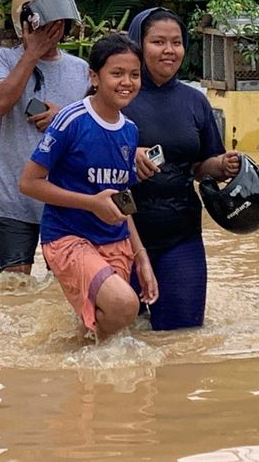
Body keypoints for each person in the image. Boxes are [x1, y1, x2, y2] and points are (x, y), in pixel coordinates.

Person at [19, 34, 157, 338]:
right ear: (94, 77)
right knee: (124, 306)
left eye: (134, 75)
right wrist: (92, 202)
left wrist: (141, 256)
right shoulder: (71, 120)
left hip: (115, 240)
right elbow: (29, 183)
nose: (127, 82)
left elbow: (123, 200)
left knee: (102, 333)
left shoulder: (130, 130)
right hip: (68, 237)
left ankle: (74, 375)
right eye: (117, 73)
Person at [123, 7, 241, 331]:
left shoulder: (195, 101)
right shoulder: (116, 95)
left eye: (176, 42)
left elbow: (202, 166)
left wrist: (222, 164)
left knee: (183, 337)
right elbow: (84, 158)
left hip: (181, 233)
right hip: (120, 235)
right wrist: (128, 154)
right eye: (158, 41)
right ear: (138, 45)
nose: (169, 50)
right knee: (114, 339)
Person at [0, 0, 90, 274]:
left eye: (58, 20)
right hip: (14, 199)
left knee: (66, 287)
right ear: (25, 24)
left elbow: (96, 127)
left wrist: (63, 116)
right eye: (43, 21)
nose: (51, 29)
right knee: (12, 290)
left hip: (66, 199)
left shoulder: (81, 70)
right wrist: (31, 55)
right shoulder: (3, 59)